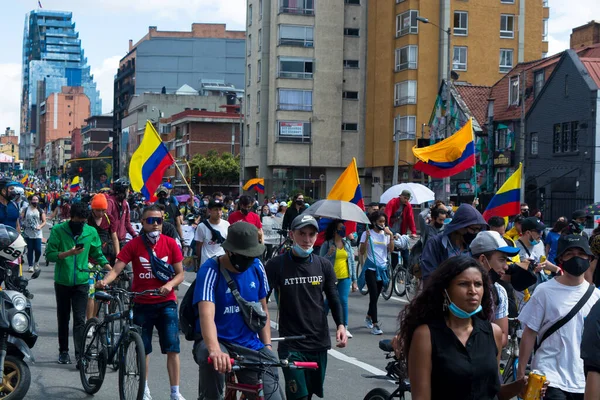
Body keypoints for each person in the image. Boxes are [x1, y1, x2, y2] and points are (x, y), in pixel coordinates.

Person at [395, 255, 528, 400]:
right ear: (445, 291)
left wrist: (520, 386)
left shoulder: (493, 332)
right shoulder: (426, 335)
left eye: (478, 284)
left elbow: (494, 391)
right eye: (463, 284)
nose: (472, 291)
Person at [97, 205, 186, 400]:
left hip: (166, 303)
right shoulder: (134, 245)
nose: (155, 225)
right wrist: (104, 281)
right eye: (150, 221)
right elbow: (116, 269)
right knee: (143, 348)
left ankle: (175, 392)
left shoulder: (171, 244)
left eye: (159, 221)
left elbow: (180, 274)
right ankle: (143, 388)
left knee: (173, 348)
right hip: (141, 302)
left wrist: (170, 285)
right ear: (143, 223)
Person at [193, 222, 282, 400]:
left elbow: (262, 310)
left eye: (252, 255)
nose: (248, 260)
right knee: (214, 365)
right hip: (218, 341)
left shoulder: (257, 267)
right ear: (229, 251)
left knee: (272, 392)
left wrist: (267, 347)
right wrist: (215, 350)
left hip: (249, 344)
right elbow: (206, 315)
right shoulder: (210, 270)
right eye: (244, 256)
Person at [266, 214, 347, 400]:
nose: (307, 239)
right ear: (291, 234)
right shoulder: (276, 265)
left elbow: (334, 298)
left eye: (311, 234)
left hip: (318, 341)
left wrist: (341, 325)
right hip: (291, 343)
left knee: (309, 395)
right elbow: (262, 301)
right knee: (298, 397)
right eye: (302, 233)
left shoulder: (323, 265)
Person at [518, 235, 600, 399]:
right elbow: (529, 333)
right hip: (549, 377)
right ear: (561, 258)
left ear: (589, 258)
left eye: (581, 253)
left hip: (583, 379)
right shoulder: (544, 291)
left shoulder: (597, 297)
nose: (576, 258)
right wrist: (520, 374)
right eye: (570, 253)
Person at [45, 202, 111, 365]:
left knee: (80, 320)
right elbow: (50, 254)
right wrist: (69, 253)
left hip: (82, 281)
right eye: (77, 221)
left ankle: (80, 354)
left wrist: (111, 268)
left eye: (83, 221)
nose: (80, 224)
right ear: (70, 217)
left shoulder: (90, 232)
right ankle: (63, 352)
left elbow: (97, 253)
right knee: (63, 318)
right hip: (62, 281)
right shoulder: (58, 230)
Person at [470, 231, 521, 347]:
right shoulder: (456, 289)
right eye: (502, 260)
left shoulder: (499, 291)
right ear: (483, 259)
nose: (506, 266)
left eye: (506, 261)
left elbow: (502, 338)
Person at [420, 204, 487, 282]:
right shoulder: (435, 244)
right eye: (473, 229)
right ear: (460, 226)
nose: (475, 233)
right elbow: (429, 277)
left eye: (478, 230)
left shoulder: (473, 247)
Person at [320, 219, 357, 338]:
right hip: (331, 278)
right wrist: (329, 253)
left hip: (345, 277)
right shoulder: (327, 244)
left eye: (344, 228)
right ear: (335, 231)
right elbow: (321, 261)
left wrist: (354, 280)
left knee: (343, 300)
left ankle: (344, 327)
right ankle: (319, 323)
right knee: (329, 301)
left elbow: (351, 262)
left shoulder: (346, 244)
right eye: (341, 228)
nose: (343, 230)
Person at [359, 211, 394, 335]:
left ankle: (368, 316)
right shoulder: (366, 233)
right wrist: (367, 238)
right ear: (374, 222)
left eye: (384, 221)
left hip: (382, 269)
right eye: (380, 221)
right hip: (371, 269)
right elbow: (362, 251)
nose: (382, 224)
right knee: (373, 295)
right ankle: (375, 324)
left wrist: (391, 236)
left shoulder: (386, 234)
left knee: (375, 297)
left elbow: (391, 250)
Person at [195, 200, 230, 267]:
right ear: (209, 211)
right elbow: (199, 246)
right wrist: (199, 261)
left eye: (220, 209)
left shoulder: (226, 224)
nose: (218, 212)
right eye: (215, 210)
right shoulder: (201, 226)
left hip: (221, 262)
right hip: (206, 262)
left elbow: (228, 244)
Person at [107, 178, 138, 246]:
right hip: (110, 241)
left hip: (122, 241)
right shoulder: (110, 202)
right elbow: (107, 219)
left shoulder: (125, 204)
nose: (128, 192)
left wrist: (135, 235)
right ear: (122, 191)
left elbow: (127, 223)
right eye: (127, 190)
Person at [21, 194, 46, 272]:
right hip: (28, 233)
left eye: (36, 200)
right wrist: (22, 225)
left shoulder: (40, 210)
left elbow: (44, 221)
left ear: (38, 201)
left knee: (38, 250)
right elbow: (21, 218)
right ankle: (30, 266)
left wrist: (40, 226)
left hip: (38, 233)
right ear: (30, 201)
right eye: (33, 200)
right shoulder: (25, 210)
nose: (35, 201)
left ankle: (36, 262)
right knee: (30, 249)